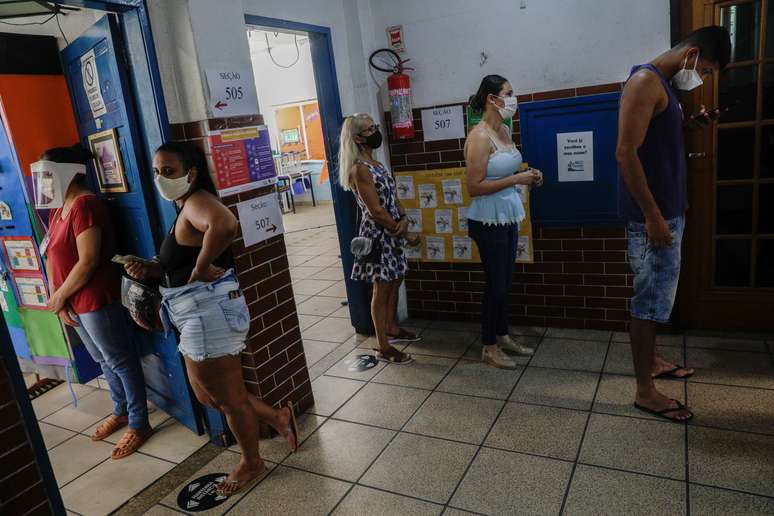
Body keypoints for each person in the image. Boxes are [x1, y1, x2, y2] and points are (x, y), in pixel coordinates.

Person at [124, 142, 297, 496]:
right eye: (157, 171)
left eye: (169, 171)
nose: (161, 178)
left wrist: (202, 267)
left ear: (191, 172)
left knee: (227, 398)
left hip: (206, 312)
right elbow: (179, 261)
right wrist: (152, 267)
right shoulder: (185, 205)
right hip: (192, 311)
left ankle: (252, 462)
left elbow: (226, 224)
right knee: (210, 395)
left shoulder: (198, 200)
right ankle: (278, 417)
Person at [616, 26, 731, 421]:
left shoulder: (664, 85)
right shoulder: (645, 81)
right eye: (709, 71)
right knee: (648, 303)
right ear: (693, 54)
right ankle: (645, 391)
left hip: (665, 211)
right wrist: (652, 216)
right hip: (654, 217)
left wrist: (687, 125)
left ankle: (652, 361)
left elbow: (653, 142)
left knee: (656, 298)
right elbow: (626, 153)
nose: (704, 79)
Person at [35, 146, 151, 459]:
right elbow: (52, 255)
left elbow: (87, 261)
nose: (44, 181)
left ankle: (139, 423)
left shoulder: (85, 205)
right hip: (72, 302)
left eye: (48, 174)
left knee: (119, 360)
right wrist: (59, 299)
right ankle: (121, 410)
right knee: (102, 359)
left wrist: (59, 296)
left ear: (68, 172)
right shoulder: (60, 208)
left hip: (95, 298)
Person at [464, 75, 544, 369]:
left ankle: (502, 335)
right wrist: (517, 179)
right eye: (509, 93)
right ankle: (489, 346)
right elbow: (474, 186)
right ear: (492, 99)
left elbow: (506, 173)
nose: (514, 99)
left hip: (507, 216)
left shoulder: (505, 131)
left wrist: (530, 176)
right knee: (495, 285)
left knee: (505, 283)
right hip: (486, 220)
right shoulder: (479, 137)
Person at [339, 113, 417, 364]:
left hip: (393, 230)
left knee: (395, 279)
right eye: (370, 129)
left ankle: (392, 327)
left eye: (374, 126)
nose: (376, 132)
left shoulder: (377, 165)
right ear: (359, 138)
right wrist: (404, 231)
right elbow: (376, 211)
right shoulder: (359, 169)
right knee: (381, 288)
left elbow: (393, 199)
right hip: (378, 235)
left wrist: (404, 217)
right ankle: (383, 346)